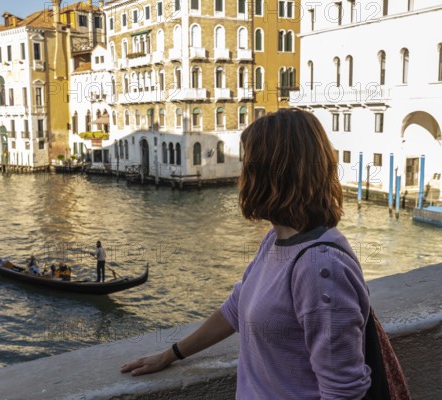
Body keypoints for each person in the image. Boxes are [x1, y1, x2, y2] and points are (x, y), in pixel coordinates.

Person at [120, 109, 372, 399]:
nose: (241, 175)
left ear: (269, 174)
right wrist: (171, 354)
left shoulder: (320, 268)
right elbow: (237, 307)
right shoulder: (277, 239)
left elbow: (344, 391)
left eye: (248, 165)